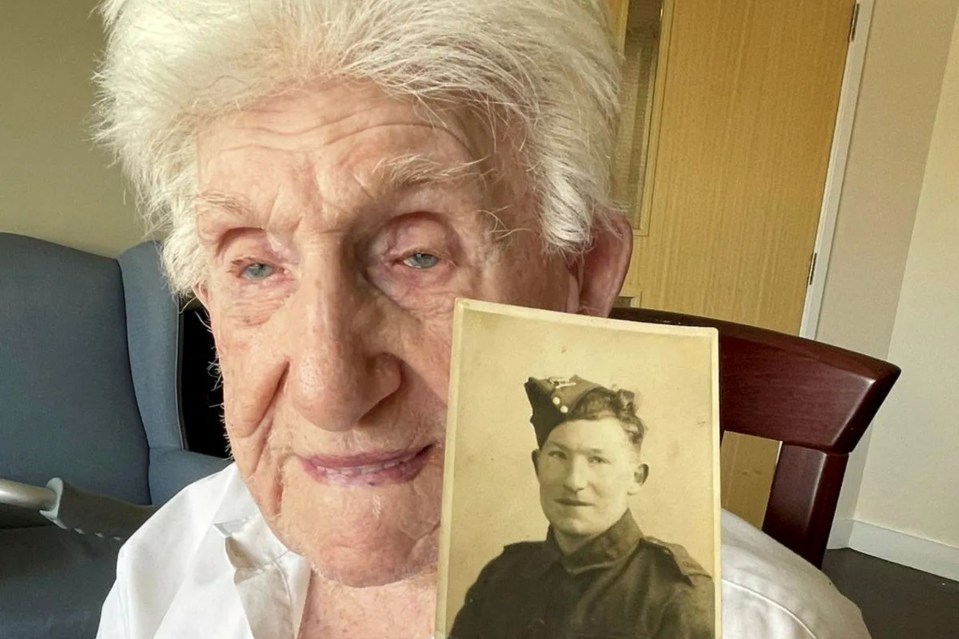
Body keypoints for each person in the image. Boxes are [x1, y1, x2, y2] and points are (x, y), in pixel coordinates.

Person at [92, 1, 873, 637]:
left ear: (580, 273)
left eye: (418, 255)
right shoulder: (168, 561)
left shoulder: (768, 629)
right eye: (256, 266)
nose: (328, 393)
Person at [449, 376, 715, 639]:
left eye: (597, 460)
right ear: (537, 465)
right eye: (558, 456)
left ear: (636, 477)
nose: (574, 481)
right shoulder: (503, 575)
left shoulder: (674, 594)